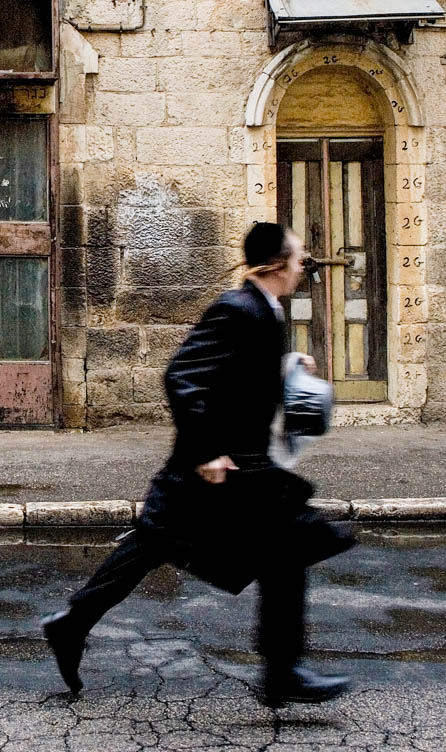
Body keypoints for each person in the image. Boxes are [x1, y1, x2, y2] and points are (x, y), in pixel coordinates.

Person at [40, 221, 354, 707]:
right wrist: (207, 451)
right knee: (275, 546)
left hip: (237, 468)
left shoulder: (264, 310)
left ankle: (72, 624)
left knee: (161, 544)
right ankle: (281, 672)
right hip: (217, 467)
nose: (302, 267)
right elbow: (183, 376)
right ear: (275, 264)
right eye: (298, 258)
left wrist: (291, 368)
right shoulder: (237, 307)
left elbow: (238, 375)